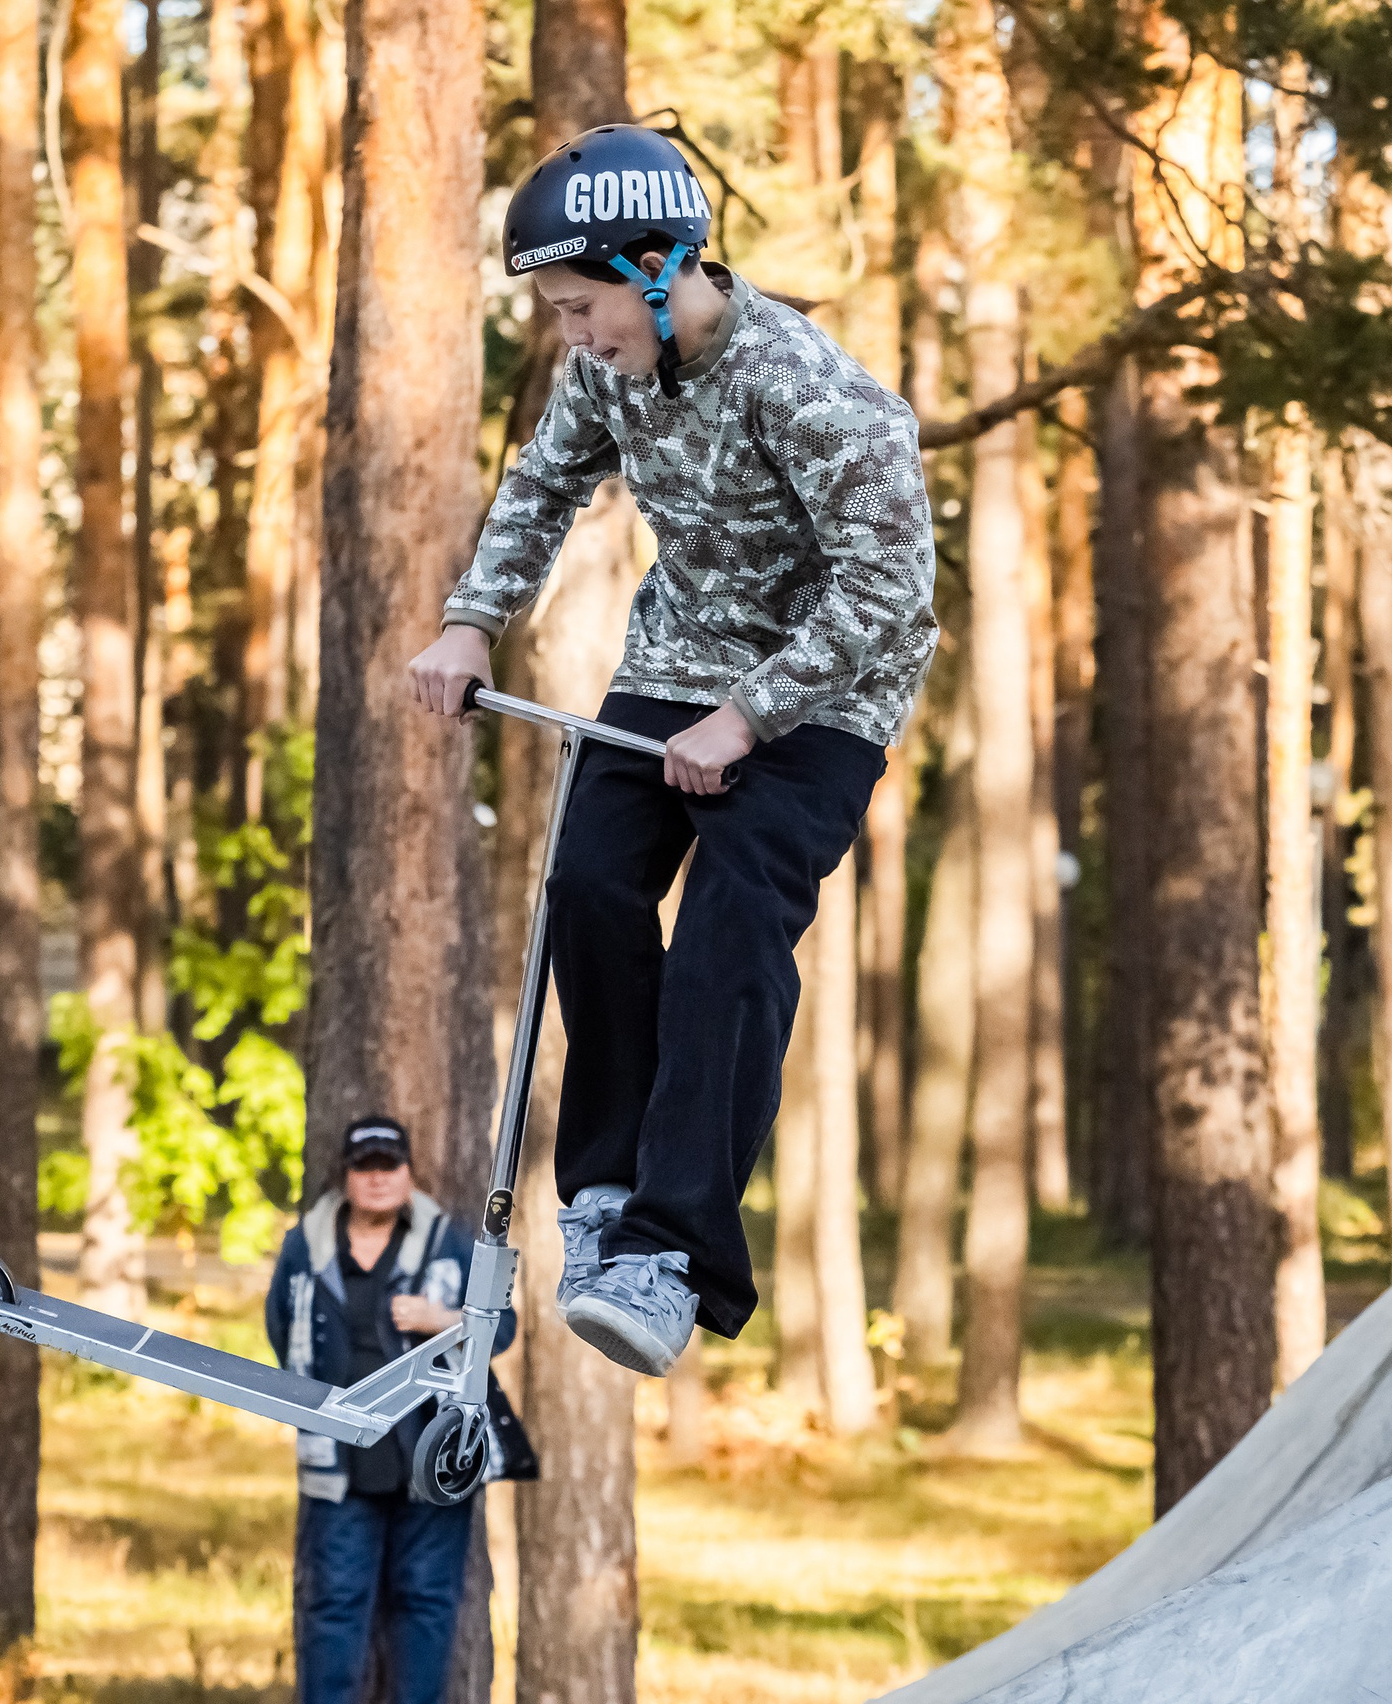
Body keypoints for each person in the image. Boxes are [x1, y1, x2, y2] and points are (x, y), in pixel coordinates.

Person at [406, 123, 937, 1378]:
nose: (571, 335)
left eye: (580, 306)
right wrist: (471, 623)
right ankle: (603, 1195)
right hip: (672, 668)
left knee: (727, 929)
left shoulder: (810, 390)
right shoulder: (607, 370)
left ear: (659, 267)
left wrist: (748, 719)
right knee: (588, 882)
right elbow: (541, 485)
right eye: (555, 311)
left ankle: (671, 1248)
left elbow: (891, 589)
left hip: (826, 692)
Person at [266, 1115, 527, 1704]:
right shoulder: (305, 1246)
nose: (378, 1179)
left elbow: (501, 1327)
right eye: (366, 1167)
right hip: (338, 1460)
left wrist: (442, 1321)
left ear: (409, 1174)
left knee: (427, 1601)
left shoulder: (453, 1243)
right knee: (333, 1603)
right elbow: (281, 1327)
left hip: (429, 1459)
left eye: (390, 1165)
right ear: (347, 1174)